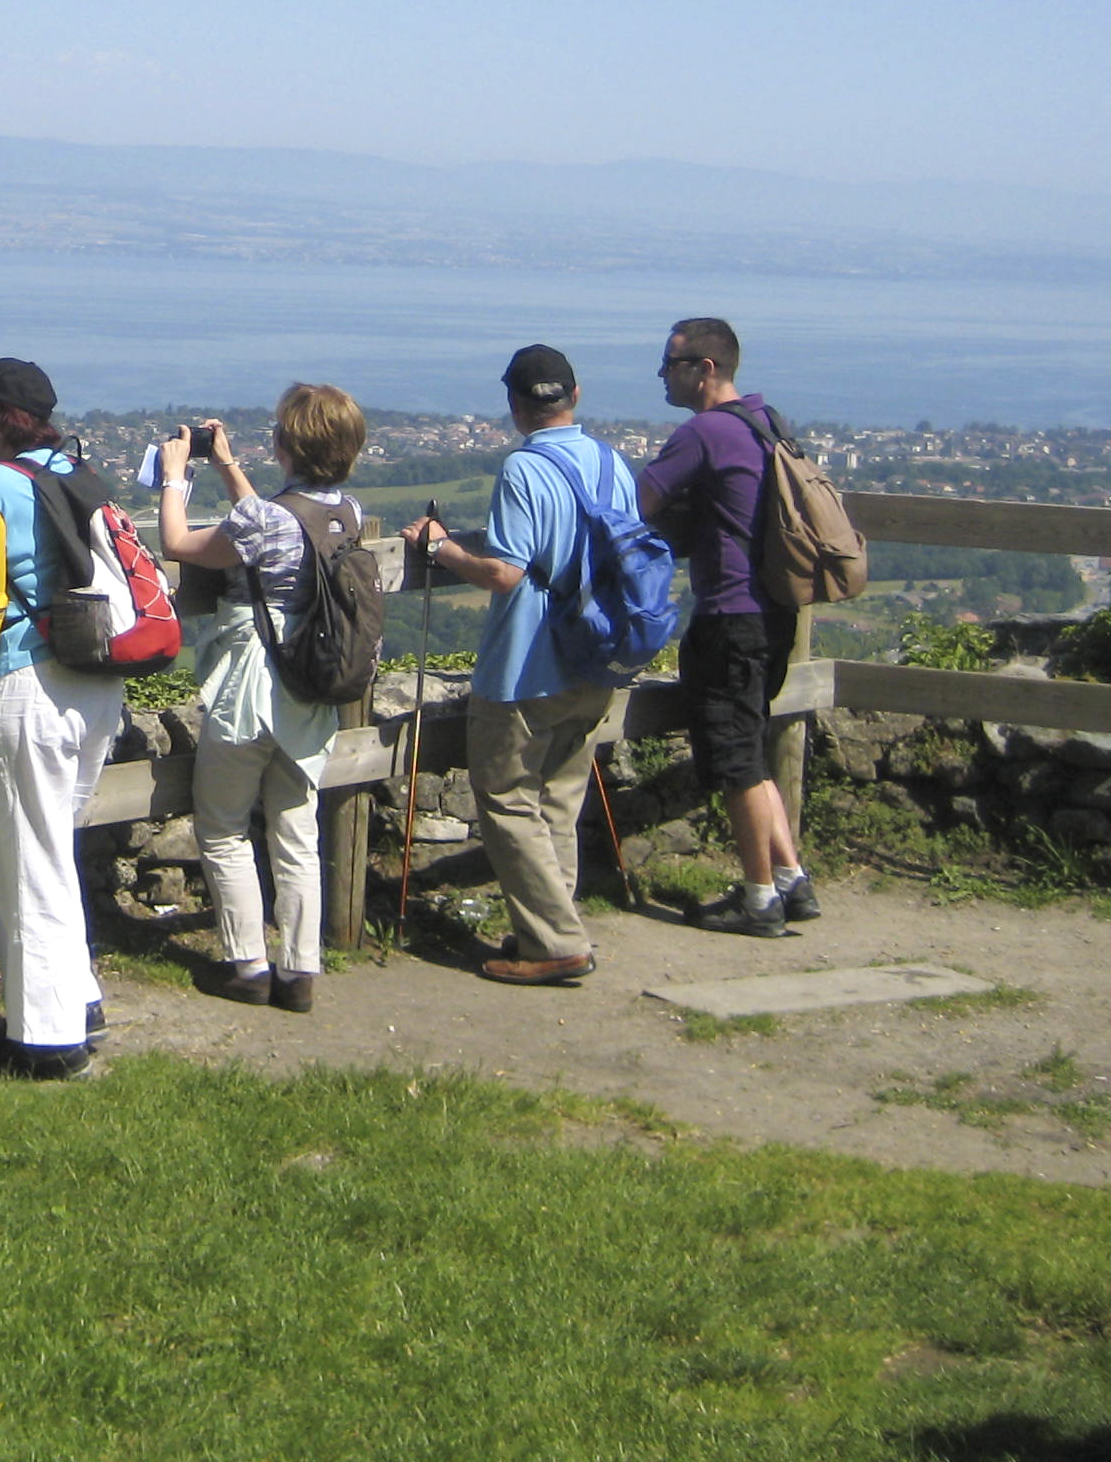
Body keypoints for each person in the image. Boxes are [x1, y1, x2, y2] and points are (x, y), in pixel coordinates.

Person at [405, 345, 626, 987]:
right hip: (599, 656)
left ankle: (555, 942)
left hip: (529, 663)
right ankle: (547, 930)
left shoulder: (525, 470)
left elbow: (504, 571)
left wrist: (441, 547)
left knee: (504, 797)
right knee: (557, 799)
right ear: (575, 396)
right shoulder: (613, 462)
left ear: (516, 405)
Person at [155, 385, 371, 1014]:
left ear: (284, 444)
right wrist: (227, 464)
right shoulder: (347, 514)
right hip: (309, 685)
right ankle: (300, 970)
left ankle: (246, 963)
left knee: (223, 826)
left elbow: (178, 544)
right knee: (296, 829)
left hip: (250, 684)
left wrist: (176, 477)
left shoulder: (260, 523)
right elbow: (280, 520)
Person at [0, 355, 119, 1077]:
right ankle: (79, 998)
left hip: (31, 678)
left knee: (30, 861)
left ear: (2, 418)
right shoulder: (75, 472)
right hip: (97, 678)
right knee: (57, 848)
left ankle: (47, 1042)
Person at [638, 318, 816, 937]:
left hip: (729, 616)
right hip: (775, 611)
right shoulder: (768, 423)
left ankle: (758, 896)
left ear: (705, 369)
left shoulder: (705, 433)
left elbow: (640, 503)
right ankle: (790, 877)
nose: (662, 374)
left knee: (736, 756)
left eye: (671, 363)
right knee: (753, 744)